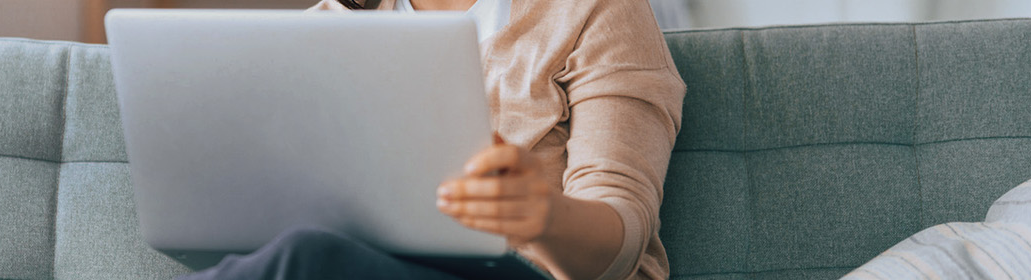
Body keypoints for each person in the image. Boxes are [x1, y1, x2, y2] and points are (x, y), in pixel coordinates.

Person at [177, 0, 685, 279]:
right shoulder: (326, 27)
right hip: (362, 265)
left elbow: (623, 239)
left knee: (306, 259)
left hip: (520, 275)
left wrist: (547, 215)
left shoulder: (595, 9)